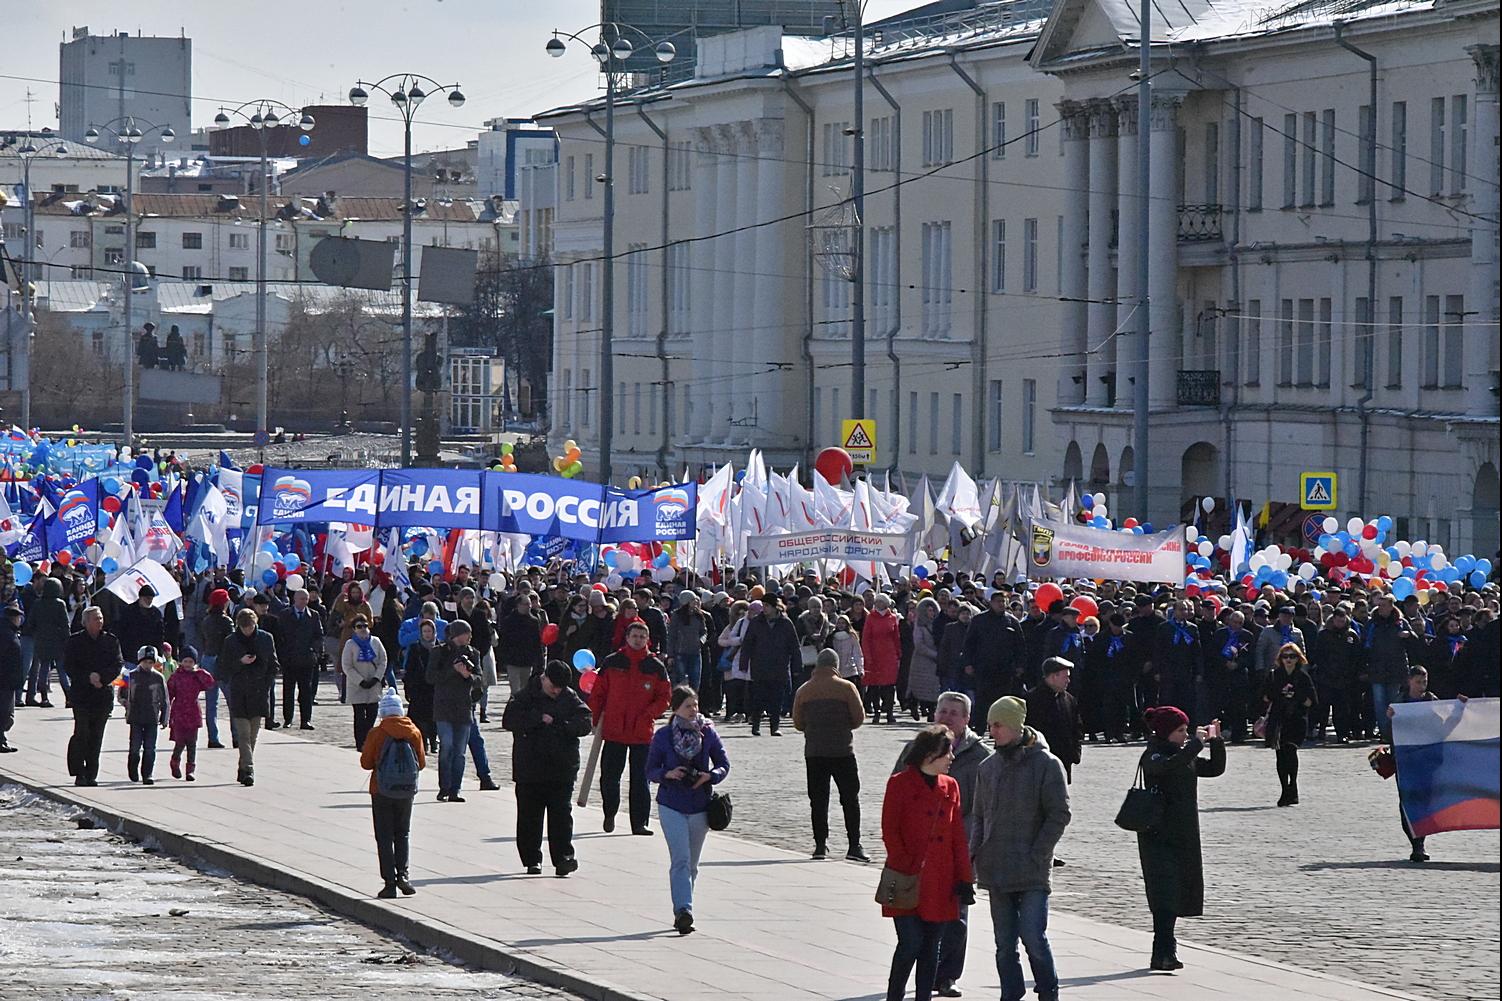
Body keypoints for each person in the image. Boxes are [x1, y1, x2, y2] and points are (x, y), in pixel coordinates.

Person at [968, 696, 1070, 1001]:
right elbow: (979, 816)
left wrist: (1039, 852)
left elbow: (1059, 814)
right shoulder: (988, 767)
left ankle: (1047, 991)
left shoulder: (1046, 764)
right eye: (990, 725)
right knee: (1004, 944)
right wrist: (975, 854)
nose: (992, 731)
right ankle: (1010, 994)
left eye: (998, 725)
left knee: (1033, 936)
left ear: (1015, 726)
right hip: (997, 867)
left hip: (1032, 869)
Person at [895, 692, 990, 998]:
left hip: (957, 848)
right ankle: (908, 983)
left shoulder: (980, 757)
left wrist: (968, 844)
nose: (946, 717)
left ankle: (947, 975)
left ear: (966, 720)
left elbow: (981, 809)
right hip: (916, 856)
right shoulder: (914, 750)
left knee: (956, 917)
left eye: (954, 713)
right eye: (942, 711)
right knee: (914, 924)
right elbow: (896, 798)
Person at [881, 724, 973, 1001]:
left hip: (941, 880)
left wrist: (965, 878)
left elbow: (957, 835)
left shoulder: (951, 786)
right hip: (906, 877)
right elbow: (890, 831)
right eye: (948, 753)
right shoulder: (899, 783)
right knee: (910, 943)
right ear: (931, 754)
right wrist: (907, 862)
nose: (952, 759)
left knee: (932, 945)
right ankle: (894, 995)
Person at [1136, 705, 1226, 972]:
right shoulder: (1153, 754)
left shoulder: (1183, 754)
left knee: (1176, 893)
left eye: (1186, 730)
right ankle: (1163, 951)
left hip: (1182, 833)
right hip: (1157, 835)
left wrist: (1216, 741)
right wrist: (1196, 744)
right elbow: (1166, 768)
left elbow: (1215, 769)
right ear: (1165, 732)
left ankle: (1165, 952)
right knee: (1164, 896)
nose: (1185, 735)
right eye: (1180, 731)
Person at [645, 685, 730, 935]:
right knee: (680, 859)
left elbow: (724, 764)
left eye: (695, 705)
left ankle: (684, 908)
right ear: (676, 709)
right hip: (671, 804)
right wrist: (668, 773)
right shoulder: (663, 736)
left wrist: (710, 776)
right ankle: (684, 910)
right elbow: (649, 770)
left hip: (700, 805)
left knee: (692, 864)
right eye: (688, 706)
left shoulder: (707, 733)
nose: (693, 710)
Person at [503, 660, 594, 875]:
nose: (556, 691)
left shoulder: (569, 697)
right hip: (530, 767)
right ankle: (532, 859)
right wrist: (537, 719)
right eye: (553, 685)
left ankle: (564, 858)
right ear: (544, 678)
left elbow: (585, 721)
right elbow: (510, 720)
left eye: (560, 687)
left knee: (562, 815)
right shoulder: (524, 696)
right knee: (529, 817)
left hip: (561, 767)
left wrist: (562, 725)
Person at [592, 620, 672, 835]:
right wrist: (594, 720)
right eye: (634, 636)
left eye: (642, 637)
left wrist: (650, 713)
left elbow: (664, 697)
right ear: (627, 638)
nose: (638, 640)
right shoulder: (612, 662)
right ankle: (610, 812)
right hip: (614, 729)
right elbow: (598, 693)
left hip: (641, 732)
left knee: (640, 779)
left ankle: (639, 823)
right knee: (609, 777)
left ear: (647, 640)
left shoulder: (655, 666)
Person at [791, 647, 869, 861]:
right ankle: (854, 845)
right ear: (836, 666)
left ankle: (820, 845)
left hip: (814, 752)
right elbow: (858, 718)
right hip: (843, 750)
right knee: (850, 799)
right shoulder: (847, 688)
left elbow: (798, 723)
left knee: (818, 799)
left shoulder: (804, 690)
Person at [360, 687, 425, 898]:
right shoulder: (414, 731)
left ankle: (389, 883)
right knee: (403, 833)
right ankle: (403, 876)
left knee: (384, 836)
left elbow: (365, 763)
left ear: (382, 712)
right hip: (406, 790)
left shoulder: (377, 733)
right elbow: (421, 764)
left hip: (381, 790)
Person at [63, 607, 124, 786]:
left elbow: (117, 663)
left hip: (102, 695)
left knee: (96, 735)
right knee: (82, 733)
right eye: (95, 619)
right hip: (81, 695)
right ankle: (78, 771)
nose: (99, 621)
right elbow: (69, 665)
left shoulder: (110, 641)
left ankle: (91, 773)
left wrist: (103, 678)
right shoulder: (75, 641)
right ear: (86, 622)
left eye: (101, 618)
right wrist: (88, 676)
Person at [1387, 666, 1441, 862]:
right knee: (1408, 801)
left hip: (1426, 759)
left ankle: (1420, 840)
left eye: (1424, 682)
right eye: (1418, 682)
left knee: (1425, 800)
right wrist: (1390, 718)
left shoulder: (1431, 701)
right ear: (1409, 681)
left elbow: (1443, 726)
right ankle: (1416, 843)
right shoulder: (1399, 703)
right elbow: (1389, 733)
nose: (1422, 686)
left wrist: (1461, 707)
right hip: (1405, 760)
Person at [220, 607, 278, 786]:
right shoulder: (231, 641)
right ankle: (250, 769)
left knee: (253, 735)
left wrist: (267, 685)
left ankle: (243, 767)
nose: (248, 630)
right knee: (243, 734)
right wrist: (240, 662)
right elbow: (223, 667)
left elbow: (273, 665)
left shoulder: (265, 639)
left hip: (259, 691)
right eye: (244, 627)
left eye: (250, 626)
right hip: (239, 692)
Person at [429, 619, 483, 802]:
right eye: (466, 633)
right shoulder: (439, 652)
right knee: (447, 747)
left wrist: (468, 675)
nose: (469, 637)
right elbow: (431, 677)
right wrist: (453, 670)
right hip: (443, 706)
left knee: (460, 751)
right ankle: (444, 786)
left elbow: (479, 679)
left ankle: (455, 789)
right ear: (456, 634)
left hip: (464, 707)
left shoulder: (473, 653)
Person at [1262, 642, 1316, 806]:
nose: (1289, 660)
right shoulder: (1274, 675)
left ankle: (1293, 785)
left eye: (1292, 656)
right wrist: (1279, 694)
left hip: (1297, 719)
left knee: (1291, 751)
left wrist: (1296, 695)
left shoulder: (1303, 676)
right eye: (1285, 656)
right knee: (1280, 755)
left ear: (1298, 658)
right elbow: (1264, 697)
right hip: (1279, 719)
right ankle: (1285, 789)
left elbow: (1311, 701)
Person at [740, 597, 800, 736]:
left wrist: (797, 666)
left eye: (767, 606)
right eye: (763, 605)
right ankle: (755, 725)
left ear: (775, 607)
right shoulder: (756, 622)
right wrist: (744, 663)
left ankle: (775, 727)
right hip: (759, 666)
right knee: (758, 698)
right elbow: (747, 644)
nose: (764, 608)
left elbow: (794, 646)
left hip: (779, 667)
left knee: (777, 698)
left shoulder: (786, 623)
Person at [1025, 658, 1083, 782]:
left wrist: (1075, 753)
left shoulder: (1069, 700)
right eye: (1065, 677)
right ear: (1052, 677)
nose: (1068, 681)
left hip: (1063, 762)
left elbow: (1077, 728)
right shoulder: (1031, 700)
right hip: (1038, 765)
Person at [166, 646, 216, 780]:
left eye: (190, 662)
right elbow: (169, 694)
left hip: (193, 711)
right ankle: (175, 761)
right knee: (180, 742)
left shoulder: (197, 676)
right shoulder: (176, 676)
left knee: (192, 743)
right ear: (181, 662)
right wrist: (165, 711)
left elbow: (210, 683)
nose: (188, 664)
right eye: (185, 661)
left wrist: (200, 672)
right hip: (179, 711)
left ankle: (190, 770)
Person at [122, 646, 170, 784]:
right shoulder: (129, 675)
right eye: (145, 662)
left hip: (152, 717)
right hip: (135, 717)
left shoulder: (158, 677)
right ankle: (132, 768)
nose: (148, 665)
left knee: (150, 748)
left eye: (151, 662)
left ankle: (147, 774)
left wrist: (164, 717)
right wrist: (126, 703)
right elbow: (120, 693)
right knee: (135, 747)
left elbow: (165, 699)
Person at [279, 588, 324, 729]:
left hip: (306, 659)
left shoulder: (313, 615)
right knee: (288, 690)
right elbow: (279, 636)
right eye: (301, 599)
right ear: (295, 599)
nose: (304, 601)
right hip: (290, 659)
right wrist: (283, 654)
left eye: (306, 599)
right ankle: (288, 719)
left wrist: (314, 651)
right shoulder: (285, 614)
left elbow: (319, 635)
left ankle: (306, 720)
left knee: (306, 691)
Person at [23, 577, 71, 707]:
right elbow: (65, 624)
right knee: (62, 670)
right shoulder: (59, 603)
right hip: (58, 641)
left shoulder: (38, 603)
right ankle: (68, 697)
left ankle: (44, 697)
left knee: (43, 669)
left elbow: (30, 623)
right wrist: (68, 640)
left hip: (41, 640)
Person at [342, 614, 388, 749]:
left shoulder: (376, 641)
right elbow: (347, 666)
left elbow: (383, 660)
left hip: (374, 685)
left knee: (372, 715)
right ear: (354, 629)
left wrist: (376, 678)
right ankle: (360, 743)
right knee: (359, 717)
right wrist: (360, 681)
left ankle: (369, 740)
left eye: (365, 626)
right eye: (359, 626)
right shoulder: (350, 644)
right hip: (357, 686)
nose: (363, 629)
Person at [199, 588, 235, 748]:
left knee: (211, 702)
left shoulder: (206, 620)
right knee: (232, 700)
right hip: (222, 660)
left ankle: (212, 737)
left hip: (207, 658)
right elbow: (232, 641)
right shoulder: (226, 621)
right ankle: (236, 736)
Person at [862, 594, 903, 724]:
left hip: (889, 656)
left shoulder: (892, 618)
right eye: (877, 602)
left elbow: (896, 637)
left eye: (881, 602)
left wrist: (898, 653)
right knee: (874, 686)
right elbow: (866, 638)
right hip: (874, 655)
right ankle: (876, 711)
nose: (878, 604)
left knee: (889, 686)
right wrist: (867, 656)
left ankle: (889, 712)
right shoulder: (870, 617)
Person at [403, 618, 440, 754]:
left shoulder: (439, 648)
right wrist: (408, 688)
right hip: (419, 688)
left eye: (429, 631)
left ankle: (433, 740)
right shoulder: (415, 648)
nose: (427, 634)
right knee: (419, 718)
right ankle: (422, 741)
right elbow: (409, 669)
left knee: (434, 717)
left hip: (434, 689)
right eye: (424, 631)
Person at [0, 605, 22, 751]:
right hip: (5, 680)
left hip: (9, 679)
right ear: (14, 619)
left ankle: (2, 739)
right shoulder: (6, 634)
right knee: (5, 713)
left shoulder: (9, 632)